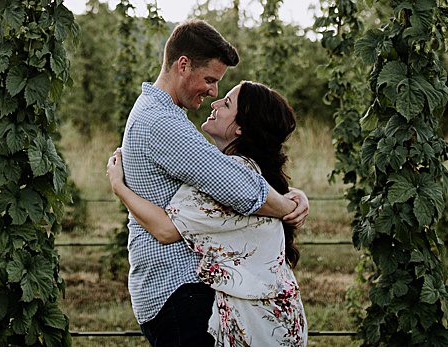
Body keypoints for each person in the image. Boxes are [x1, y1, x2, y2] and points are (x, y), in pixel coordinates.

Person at [114, 19, 309, 346]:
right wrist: (288, 206)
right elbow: (242, 190)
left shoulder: (158, 112)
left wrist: (290, 194)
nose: (213, 92)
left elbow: (229, 183)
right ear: (183, 65)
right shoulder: (164, 123)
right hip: (178, 292)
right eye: (209, 79)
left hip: (176, 292)